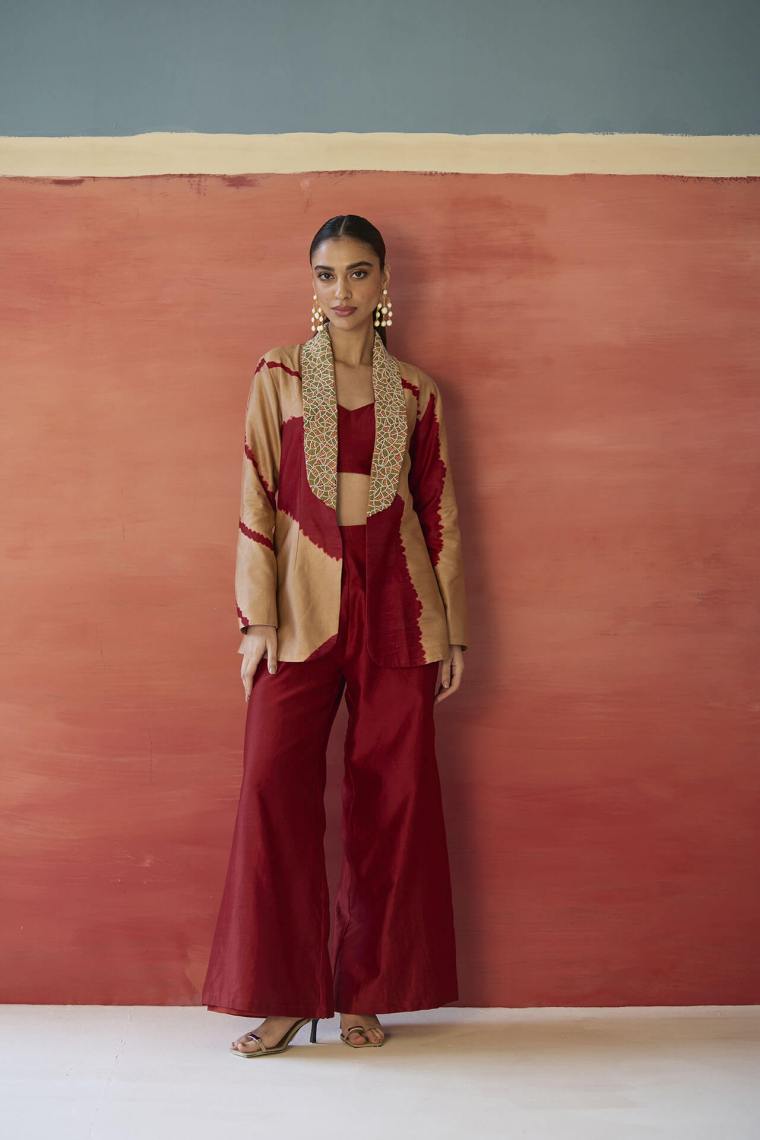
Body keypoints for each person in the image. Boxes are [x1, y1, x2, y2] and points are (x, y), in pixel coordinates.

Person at [201, 214, 469, 1057]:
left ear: (384, 283)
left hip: (400, 606)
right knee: (271, 788)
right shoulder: (279, 375)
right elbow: (255, 492)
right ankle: (284, 995)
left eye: (358, 273)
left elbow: (439, 510)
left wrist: (453, 633)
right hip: (299, 606)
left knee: (393, 800)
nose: (341, 290)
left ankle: (366, 993)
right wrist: (257, 620)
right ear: (311, 285)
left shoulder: (417, 392)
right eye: (326, 274)